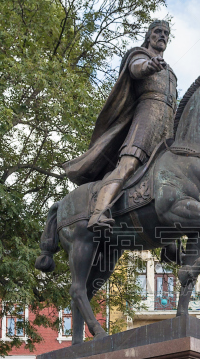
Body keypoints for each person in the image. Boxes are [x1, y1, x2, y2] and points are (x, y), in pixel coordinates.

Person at [63, 20, 177, 230]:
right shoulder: (140, 55)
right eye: (158, 32)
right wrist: (149, 66)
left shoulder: (171, 72)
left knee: (170, 177)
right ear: (149, 35)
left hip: (166, 128)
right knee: (128, 165)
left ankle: (170, 238)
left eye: (166, 33)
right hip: (145, 121)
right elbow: (135, 69)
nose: (162, 36)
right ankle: (98, 213)